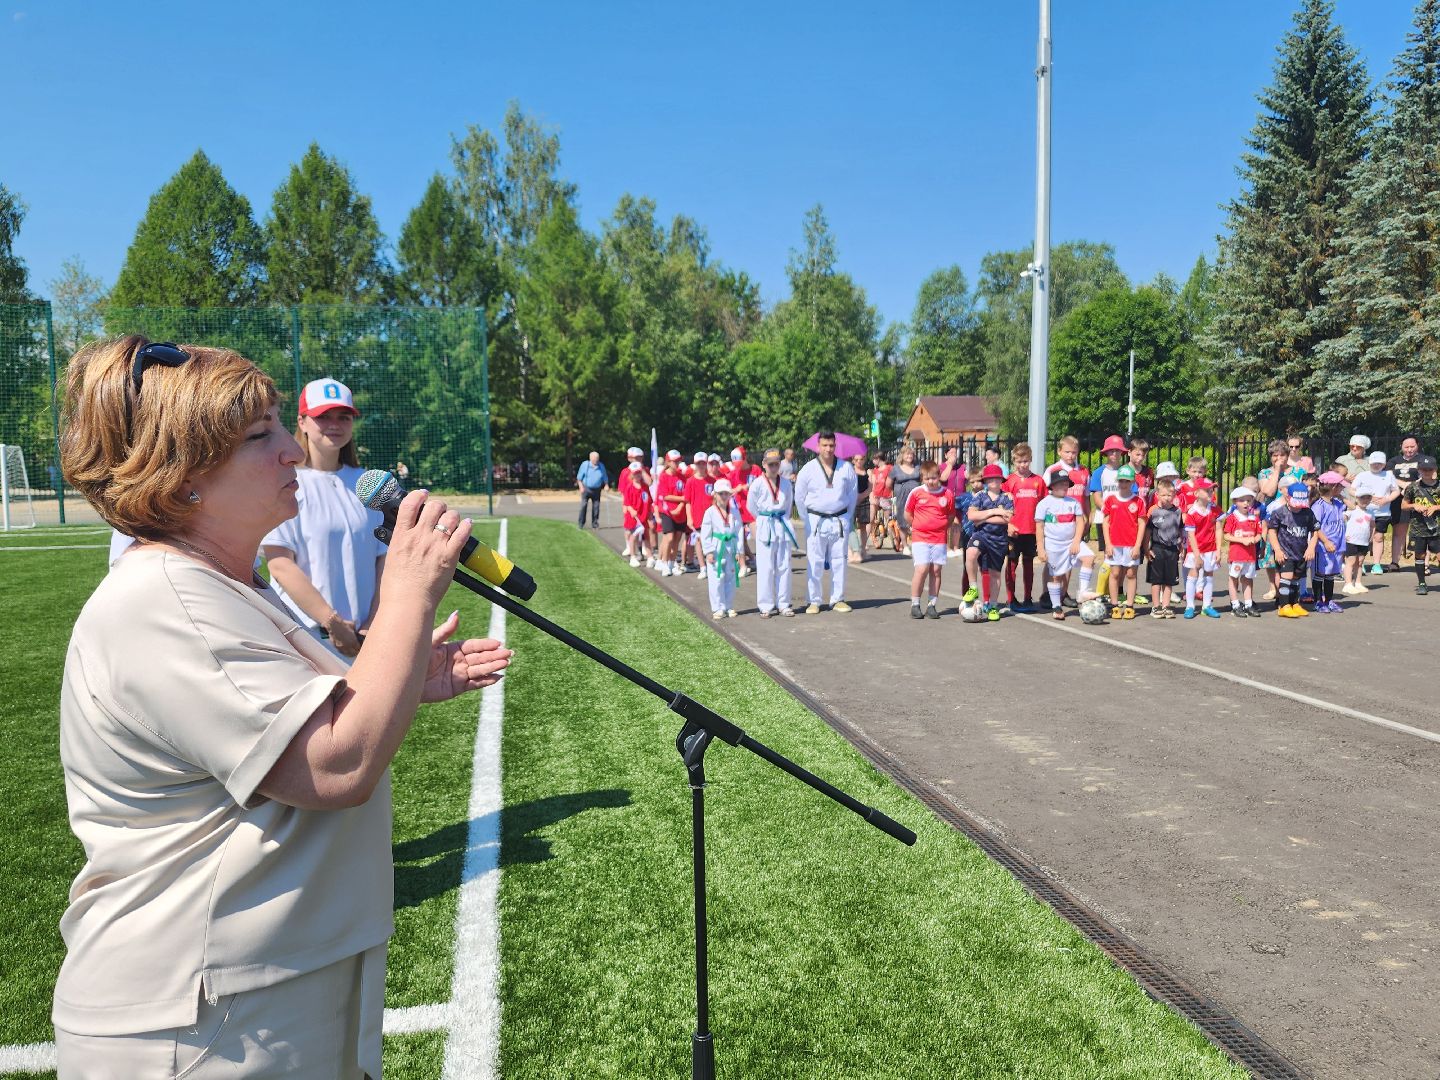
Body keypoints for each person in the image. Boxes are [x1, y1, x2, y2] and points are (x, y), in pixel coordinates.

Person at [52, 336, 511, 1077]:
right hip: (197, 1031)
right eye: (261, 437)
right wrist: (405, 592)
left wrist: (397, 679)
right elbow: (336, 765)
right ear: (184, 477)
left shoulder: (222, 586)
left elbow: (309, 724)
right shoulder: (167, 601)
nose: (293, 455)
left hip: (246, 1010)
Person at [260, 378, 386, 658]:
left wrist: (372, 623)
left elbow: (383, 561)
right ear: (302, 422)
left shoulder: (366, 484)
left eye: (343, 417)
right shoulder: (285, 482)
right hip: (306, 642)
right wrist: (332, 623)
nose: (335, 424)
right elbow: (280, 564)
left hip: (365, 638)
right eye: (323, 416)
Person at [794, 432, 857, 613]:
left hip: (839, 518)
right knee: (815, 559)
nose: (828, 449)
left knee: (839, 559)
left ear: (835, 446)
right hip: (816, 518)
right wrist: (807, 519)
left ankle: (838, 598)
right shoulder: (808, 469)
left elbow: (852, 495)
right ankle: (814, 600)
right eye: (824, 445)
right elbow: (799, 496)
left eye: (831, 445)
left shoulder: (846, 468)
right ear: (818, 446)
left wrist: (847, 516)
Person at [747, 449, 797, 617]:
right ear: (764, 464)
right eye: (771, 464)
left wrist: (783, 517)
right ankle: (766, 605)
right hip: (766, 523)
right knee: (766, 567)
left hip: (781, 523)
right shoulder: (757, 484)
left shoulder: (786, 483)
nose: (774, 467)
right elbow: (751, 506)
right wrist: (762, 518)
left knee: (784, 565)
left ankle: (783, 603)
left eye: (776, 464)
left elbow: (789, 504)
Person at [1042, 435, 1090, 609]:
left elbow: (1086, 498)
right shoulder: (1052, 470)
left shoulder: (1083, 471)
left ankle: (1064, 593)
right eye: (1067, 452)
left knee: (1070, 559)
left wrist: (1088, 518)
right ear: (1060, 451)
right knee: (1053, 562)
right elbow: (1045, 497)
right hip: (1056, 525)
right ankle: (1047, 593)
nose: (1070, 455)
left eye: (1074, 452)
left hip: (1075, 523)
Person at [903, 461, 955, 620]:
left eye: (933, 478)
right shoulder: (916, 492)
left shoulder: (947, 494)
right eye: (927, 479)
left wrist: (942, 526)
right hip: (920, 537)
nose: (931, 482)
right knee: (922, 569)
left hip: (939, 538)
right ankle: (915, 604)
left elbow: (951, 515)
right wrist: (917, 527)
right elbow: (908, 514)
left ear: (939, 476)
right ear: (922, 478)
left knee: (936, 570)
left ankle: (932, 604)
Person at [1035, 469, 1087, 621]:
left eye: (1066, 484)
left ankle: (1083, 593)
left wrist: (1077, 540)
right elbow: (1039, 527)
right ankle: (1056, 606)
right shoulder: (1044, 504)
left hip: (1071, 543)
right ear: (1052, 486)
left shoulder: (1073, 503)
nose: (1064, 486)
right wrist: (1041, 548)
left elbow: (1080, 522)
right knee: (1056, 577)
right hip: (1053, 545)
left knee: (1089, 558)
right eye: (1061, 483)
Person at [964, 463, 1013, 621]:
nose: (993, 481)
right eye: (990, 478)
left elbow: (1007, 519)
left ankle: (993, 606)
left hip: (998, 540)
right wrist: (995, 511)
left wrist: (983, 517)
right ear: (985, 480)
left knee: (995, 574)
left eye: (997, 478)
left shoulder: (1007, 497)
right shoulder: (979, 496)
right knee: (970, 553)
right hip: (982, 535)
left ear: (1001, 480)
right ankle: (973, 587)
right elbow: (971, 516)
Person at [1002, 443, 1047, 612]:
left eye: (1026, 461)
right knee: (1012, 564)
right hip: (1014, 530)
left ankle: (1028, 598)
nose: (1023, 465)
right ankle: (1010, 598)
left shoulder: (1038, 481)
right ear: (1014, 461)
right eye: (1019, 461)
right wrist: (1007, 525)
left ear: (1031, 460)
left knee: (1028, 564)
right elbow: (1002, 506)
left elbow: (1043, 505)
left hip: (1032, 530)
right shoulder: (1008, 482)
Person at [1269, 482, 1322, 617]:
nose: (1298, 506)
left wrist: (1311, 547)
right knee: (1286, 578)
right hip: (1285, 553)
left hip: (1301, 552)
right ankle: (1284, 605)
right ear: (1288, 497)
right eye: (1296, 502)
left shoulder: (1308, 513)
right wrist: (1277, 550)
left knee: (1296, 579)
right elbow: (1272, 532)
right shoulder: (1279, 513)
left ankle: (1294, 603)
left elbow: (1315, 531)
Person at [1102, 465, 1147, 619]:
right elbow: (1105, 522)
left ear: (1132, 482)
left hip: (1131, 545)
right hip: (1115, 544)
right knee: (1114, 573)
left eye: (1127, 481)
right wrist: (1108, 543)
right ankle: (1114, 605)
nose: (1123, 484)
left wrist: (1137, 546)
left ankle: (1129, 605)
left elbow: (1141, 524)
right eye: (1121, 481)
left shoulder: (1138, 501)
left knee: (1131, 574)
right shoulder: (1110, 500)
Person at [1350, 451, 1400, 574]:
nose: (1376, 465)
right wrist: (1367, 498)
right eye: (1374, 463)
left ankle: (1376, 564)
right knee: (1362, 537)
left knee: (1378, 537)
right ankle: (1359, 563)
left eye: (1379, 463)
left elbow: (1396, 491)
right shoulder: (1362, 475)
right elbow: (1352, 490)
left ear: (1384, 464)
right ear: (1369, 463)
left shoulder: (1389, 476)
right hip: (1364, 512)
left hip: (1382, 513)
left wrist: (1387, 499)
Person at [700, 478, 742, 619]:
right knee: (716, 579)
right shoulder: (710, 512)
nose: (724, 497)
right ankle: (718, 607)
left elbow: (739, 531)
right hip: (716, 548)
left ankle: (729, 606)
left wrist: (739, 550)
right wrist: (709, 551)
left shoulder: (734, 512)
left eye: (726, 494)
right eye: (721, 494)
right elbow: (705, 534)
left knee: (729, 577)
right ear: (715, 495)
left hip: (731, 547)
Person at [1400, 454, 1440, 595]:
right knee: (1420, 555)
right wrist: (1414, 505)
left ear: (1435, 469)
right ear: (1419, 470)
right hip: (1418, 528)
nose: (1427, 472)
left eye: (1429, 469)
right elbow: (1403, 506)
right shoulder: (1412, 487)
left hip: (1436, 528)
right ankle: (1422, 583)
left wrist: (1436, 507)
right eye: (1424, 469)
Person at [1222, 487, 1264, 618]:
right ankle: (1235, 604)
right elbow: (1226, 536)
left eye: (1248, 500)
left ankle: (1248, 603)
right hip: (1237, 555)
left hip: (1250, 556)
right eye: (1242, 500)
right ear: (1235, 502)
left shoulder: (1254, 518)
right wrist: (1241, 540)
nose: (1246, 503)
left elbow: (1259, 534)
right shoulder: (1232, 518)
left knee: (1247, 578)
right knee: (1234, 578)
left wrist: (1255, 540)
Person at [1182, 482, 1221, 619]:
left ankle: (1206, 606)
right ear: (1197, 493)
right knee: (1193, 575)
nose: (1211, 493)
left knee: (1208, 576)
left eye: (1211, 490)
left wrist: (1218, 550)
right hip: (1196, 551)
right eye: (1207, 491)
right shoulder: (1192, 512)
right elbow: (1191, 535)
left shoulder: (1215, 509)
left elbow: (1218, 529)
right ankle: (1190, 606)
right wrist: (1197, 555)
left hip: (1211, 549)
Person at [1146, 479, 1183, 618]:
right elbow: (1148, 531)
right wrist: (1146, 548)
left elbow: (1180, 530)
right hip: (1157, 549)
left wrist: (1181, 546)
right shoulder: (1153, 511)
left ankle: (1166, 605)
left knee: (1169, 580)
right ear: (1157, 494)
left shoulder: (1177, 511)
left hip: (1172, 549)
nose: (1167, 498)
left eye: (1170, 495)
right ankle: (1156, 607)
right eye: (1164, 495)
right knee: (1156, 580)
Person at [1311, 472, 1347, 612]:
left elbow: (1352, 504)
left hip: (1337, 546)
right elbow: (1316, 526)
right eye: (1340, 487)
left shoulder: (1337, 503)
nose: (1342, 489)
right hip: (1323, 546)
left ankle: (1329, 600)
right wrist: (1326, 541)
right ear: (1333, 487)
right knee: (1321, 573)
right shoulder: (1319, 506)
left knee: (1331, 574)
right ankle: (1319, 601)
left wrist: (1340, 496)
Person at [1389, 437, 1424, 570]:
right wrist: (1403, 485)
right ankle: (1394, 562)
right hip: (1399, 499)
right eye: (1406, 447)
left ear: (1417, 446)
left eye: (1412, 446)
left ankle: (1422, 563)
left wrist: (1411, 487)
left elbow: (1430, 475)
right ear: (1401, 446)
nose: (1409, 449)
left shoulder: (1423, 459)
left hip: (1419, 499)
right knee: (1399, 530)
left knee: (1421, 532)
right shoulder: (1394, 461)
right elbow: (1388, 474)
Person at [657, 450, 689, 576]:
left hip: (680, 513)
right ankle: (664, 563)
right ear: (668, 462)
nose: (677, 463)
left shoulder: (681, 477)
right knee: (669, 537)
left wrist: (681, 506)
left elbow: (686, 495)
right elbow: (665, 496)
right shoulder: (663, 476)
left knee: (677, 540)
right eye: (674, 461)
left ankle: (672, 562)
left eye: (678, 461)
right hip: (667, 512)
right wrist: (681, 500)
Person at [684, 453, 715, 580]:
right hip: (697, 515)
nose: (701, 466)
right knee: (698, 541)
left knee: (711, 540)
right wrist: (689, 518)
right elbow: (687, 502)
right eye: (699, 463)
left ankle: (711, 564)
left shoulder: (712, 481)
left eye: (703, 463)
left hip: (711, 516)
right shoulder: (690, 481)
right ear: (695, 464)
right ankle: (702, 567)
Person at [621, 462, 655, 567]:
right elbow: (627, 503)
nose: (638, 475)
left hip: (644, 517)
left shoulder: (645, 487)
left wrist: (650, 517)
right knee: (633, 537)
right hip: (633, 518)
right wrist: (631, 510)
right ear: (632, 474)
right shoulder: (629, 487)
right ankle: (633, 556)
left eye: (639, 473)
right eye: (635, 473)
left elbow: (649, 502)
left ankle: (650, 557)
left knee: (646, 537)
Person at [890, 446, 922, 556]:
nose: (909, 456)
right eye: (907, 454)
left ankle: (916, 544)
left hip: (916, 497)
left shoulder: (918, 467)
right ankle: (905, 545)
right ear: (902, 456)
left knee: (917, 520)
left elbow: (923, 479)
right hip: (902, 497)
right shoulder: (896, 468)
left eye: (911, 454)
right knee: (903, 521)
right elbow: (888, 483)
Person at [1341, 490, 1374, 594]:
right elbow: (1342, 520)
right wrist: (1343, 535)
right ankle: (1348, 583)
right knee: (1350, 561)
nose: (1365, 500)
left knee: (1360, 562)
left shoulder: (1370, 512)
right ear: (1356, 499)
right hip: (1351, 540)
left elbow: (1372, 526)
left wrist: (1371, 538)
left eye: (1367, 498)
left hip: (1363, 541)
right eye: (1362, 498)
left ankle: (1358, 583)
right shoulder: (1352, 510)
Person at [575, 451, 609, 529]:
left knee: (596, 507)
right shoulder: (585, 465)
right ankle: (581, 523)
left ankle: (595, 523)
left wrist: (606, 484)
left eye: (597, 459)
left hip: (597, 489)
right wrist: (581, 487)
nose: (596, 461)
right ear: (590, 458)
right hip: (586, 488)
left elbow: (604, 476)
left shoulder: (601, 466)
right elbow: (579, 478)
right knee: (584, 506)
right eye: (594, 459)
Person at [849, 452, 872, 564]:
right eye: (857, 459)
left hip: (864, 500)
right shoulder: (850, 471)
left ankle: (863, 549)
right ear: (853, 460)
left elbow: (870, 487)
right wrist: (854, 497)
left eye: (861, 459)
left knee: (863, 526)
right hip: (851, 501)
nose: (859, 461)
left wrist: (862, 496)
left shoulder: (867, 472)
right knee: (850, 526)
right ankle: (851, 550)